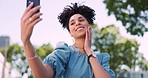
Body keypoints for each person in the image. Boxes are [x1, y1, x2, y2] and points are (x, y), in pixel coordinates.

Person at [21, 2, 115, 78]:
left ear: (90, 26)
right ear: (70, 32)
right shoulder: (64, 52)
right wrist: (26, 42)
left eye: (81, 20)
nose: (77, 23)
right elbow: (43, 75)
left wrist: (89, 52)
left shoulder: (101, 59)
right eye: (72, 23)